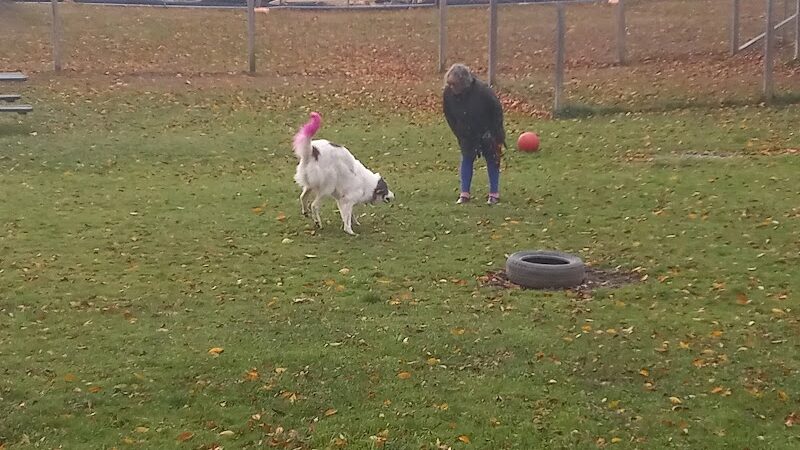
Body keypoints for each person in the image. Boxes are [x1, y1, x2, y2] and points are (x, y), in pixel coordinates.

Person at [442, 63, 506, 205]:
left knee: (492, 159)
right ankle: (464, 193)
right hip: (466, 131)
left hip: (487, 130)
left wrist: (495, 133)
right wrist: (458, 132)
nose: (451, 88)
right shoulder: (448, 94)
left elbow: (497, 111)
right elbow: (449, 115)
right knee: (466, 158)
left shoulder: (483, 92)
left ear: (463, 82)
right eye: (450, 84)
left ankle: (494, 194)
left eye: (455, 85)